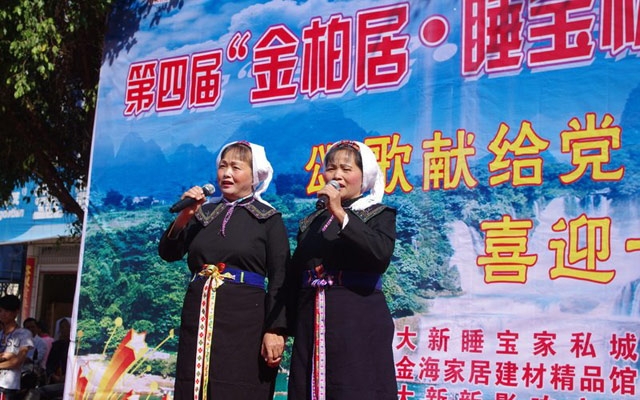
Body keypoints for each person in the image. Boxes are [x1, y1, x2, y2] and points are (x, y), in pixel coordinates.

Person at [158, 141, 290, 400]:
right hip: (200, 315)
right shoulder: (203, 213)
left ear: (255, 175)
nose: (226, 173)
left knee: (238, 385)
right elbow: (169, 253)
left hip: (246, 320)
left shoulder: (268, 218)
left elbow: (281, 276)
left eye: (236, 168)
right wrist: (185, 216)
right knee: (193, 383)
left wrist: (276, 329)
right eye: (223, 166)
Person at [287, 140, 398, 399]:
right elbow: (294, 276)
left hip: (358, 320)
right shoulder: (311, 221)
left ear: (364, 176)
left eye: (346, 169)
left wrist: (338, 211)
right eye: (331, 168)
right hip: (311, 319)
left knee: (355, 387)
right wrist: (279, 329)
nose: (337, 175)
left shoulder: (379, 214)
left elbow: (379, 255)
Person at [23, 317, 70, 400]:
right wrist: (54, 376)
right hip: (56, 378)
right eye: (62, 327)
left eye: (67, 327)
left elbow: (37, 358)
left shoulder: (78, 347)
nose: (64, 330)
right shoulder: (57, 345)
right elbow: (50, 364)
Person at [0, 295, 34, 399]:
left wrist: (11, 357)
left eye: (7, 311)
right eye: (1, 311)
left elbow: (17, 361)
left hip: (8, 386)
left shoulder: (24, 334)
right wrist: (9, 356)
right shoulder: (1, 334)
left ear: (16, 312)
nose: (3, 314)